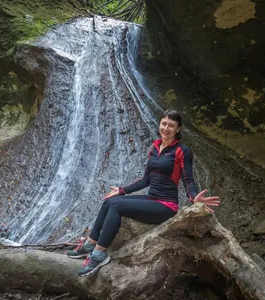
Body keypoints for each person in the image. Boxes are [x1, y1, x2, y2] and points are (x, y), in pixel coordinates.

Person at [67, 110, 220, 277]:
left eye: (171, 125)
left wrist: (193, 197)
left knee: (117, 206)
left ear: (178, 129)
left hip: (165, 206)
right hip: (151, 198)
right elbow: (146, 180)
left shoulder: (182, 151)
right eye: (164, 124)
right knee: (110, 201)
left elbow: (188, 179)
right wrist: (122, 190)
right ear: (159, 124)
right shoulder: (155, 148)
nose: (166, 128)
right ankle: (89, 244)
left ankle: (98, 254)